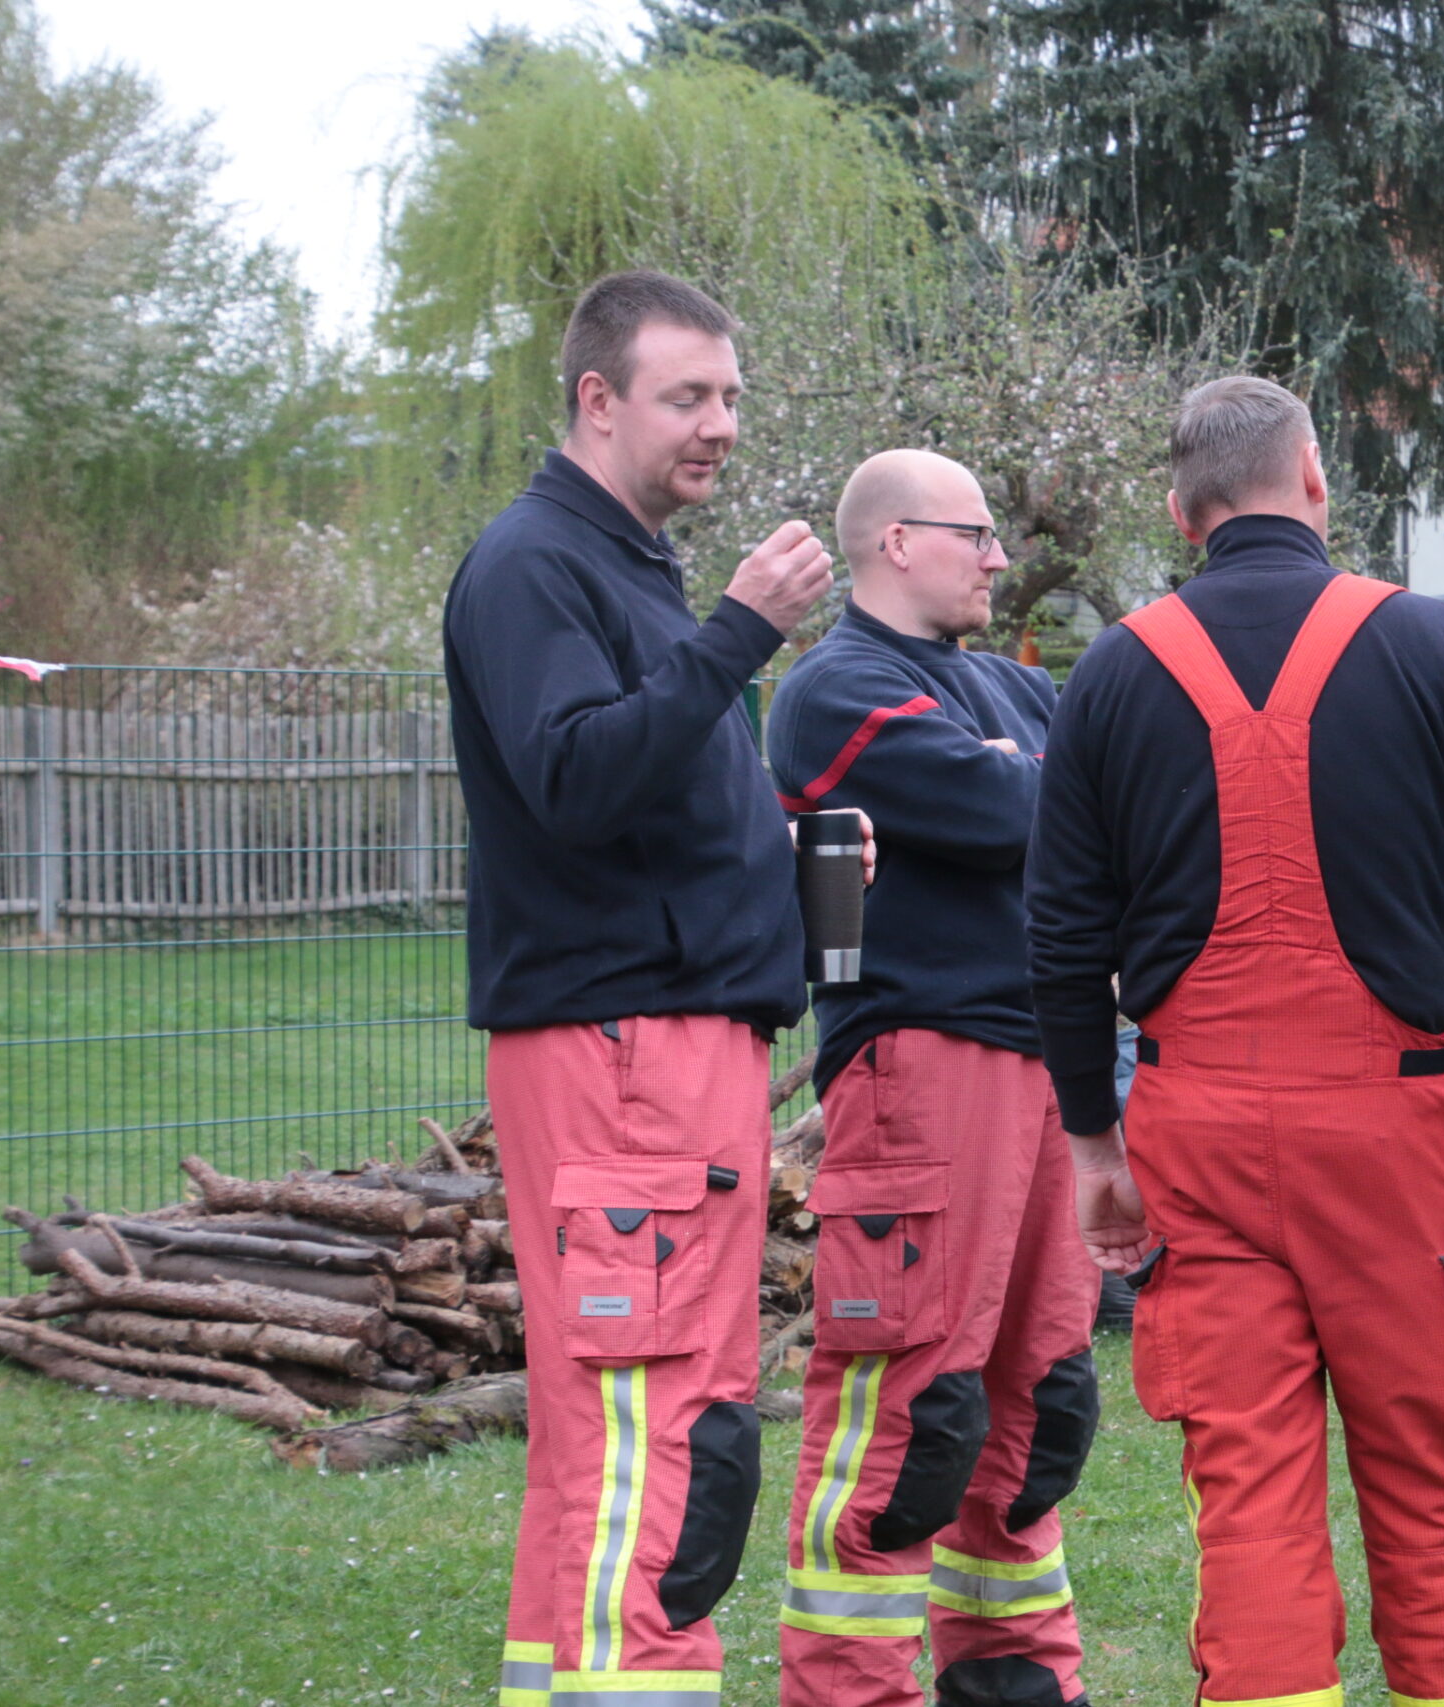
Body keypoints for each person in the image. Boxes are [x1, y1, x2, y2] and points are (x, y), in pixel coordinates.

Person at [1025, 377, 1444, 1707]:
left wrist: (1094, 1149)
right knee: (1433, 1484)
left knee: (1248, 1507)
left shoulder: (1112, 672)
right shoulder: (1426, 644)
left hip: (1196, 1141)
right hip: (1392, 1137)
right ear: (1314, 478)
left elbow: (1059, 939)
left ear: (1183, 511)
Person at [444, 269, 867, 1707]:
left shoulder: (627, 565)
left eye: (731, 396)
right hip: (623, 1053)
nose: (721, 424)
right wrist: (741, 632)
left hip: (664, 1045)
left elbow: (650, 795)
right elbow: (574, 778)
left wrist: (786, 868)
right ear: (598, 398)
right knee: (661, 1424)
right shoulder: (534, 564)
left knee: (609, 1429)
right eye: (688, 395)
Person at [765, 449, 1102, 1707]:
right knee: (910, 1414)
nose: (1001, 557)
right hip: (921, 1070)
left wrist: (1040, 779)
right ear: (897, 541)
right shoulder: (835, 691)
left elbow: (1089, 808)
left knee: (1039, 1409)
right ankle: (851, 1689)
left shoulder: (1011, 686)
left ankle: (1016, 1683)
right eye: (977, 534)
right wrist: (1045, 786)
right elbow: (1024, 816)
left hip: (1045, 1070)